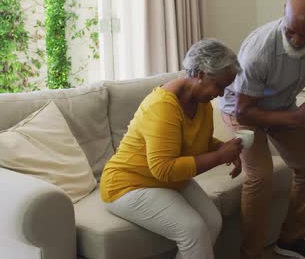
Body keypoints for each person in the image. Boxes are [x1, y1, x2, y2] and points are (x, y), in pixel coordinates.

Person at [219, 0, 305, 259]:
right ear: (283, 13)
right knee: (261, 175)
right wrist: (296, 118)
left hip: (281, 105)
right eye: (290, 32)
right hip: (242, 111)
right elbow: (245, 111)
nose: (296, 40)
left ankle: (291, 239)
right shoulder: (259, 51)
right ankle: (251, 254)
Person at [100, 39, 244, 259]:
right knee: (193, 229)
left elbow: (201, 141)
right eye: (220, 86)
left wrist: (225, 148)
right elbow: (163, 169)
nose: (222, 94)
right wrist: (219, 156)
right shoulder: (163, 106)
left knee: (212, 221)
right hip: (127, 185)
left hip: (165, 182)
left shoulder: (201, 101)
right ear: (202, 74)